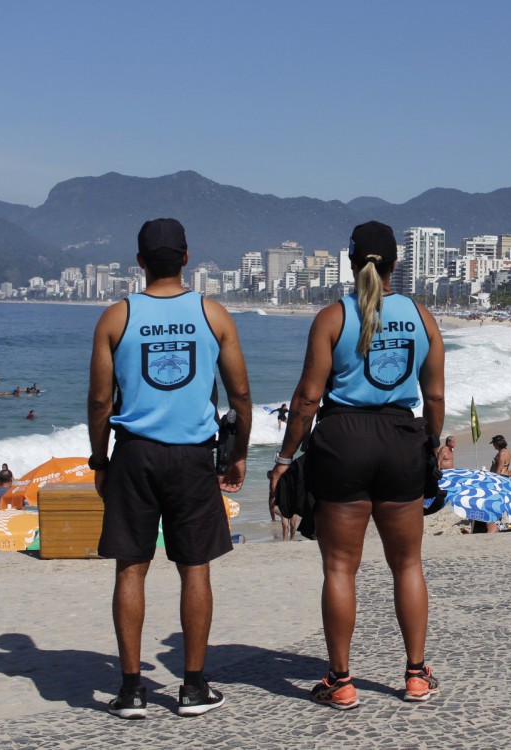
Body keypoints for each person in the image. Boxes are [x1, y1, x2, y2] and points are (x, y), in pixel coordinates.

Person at [267, 220, 445, 709]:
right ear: (395, 265)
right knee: (407, 564)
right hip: (401, 441)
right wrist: (430, 445)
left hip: (342, 441)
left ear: (350, 262)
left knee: (340, 569)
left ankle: (341, 682)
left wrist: (284, 460)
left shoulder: (331, 318)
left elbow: (306, 399)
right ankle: (415, 676)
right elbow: (434, 396)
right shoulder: (422, 318)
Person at [88, 218, 252, 719]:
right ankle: (194, 687)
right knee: (193, 566)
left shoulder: (116, 317)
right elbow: (241, 394)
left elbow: (99, 400)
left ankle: (132, 689)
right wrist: (239, 451)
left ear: (139, 262)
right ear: (186, 258)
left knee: (131, 567)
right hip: (191, 457)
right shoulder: (213, 314)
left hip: (135, 454)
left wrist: (100, 459)